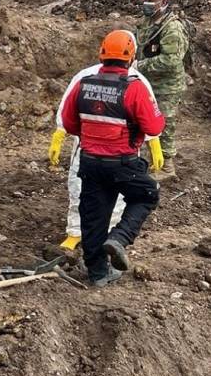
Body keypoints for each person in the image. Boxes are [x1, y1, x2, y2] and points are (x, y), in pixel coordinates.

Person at [60, 30, 165, 287]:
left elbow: (69, 123)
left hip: (90, 162)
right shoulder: (135, 87)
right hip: (123, 163)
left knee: (93, 217)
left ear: (102, 55)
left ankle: (98, 273)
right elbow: (153, 126)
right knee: (146, 195)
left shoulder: (83, 84)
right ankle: (119, 238)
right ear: (131, 57)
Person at [136, 0, 188, 181]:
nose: (148, 4)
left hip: (167, 86)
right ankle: (151, 159)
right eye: (146, 0)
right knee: (145, 120)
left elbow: (171, 61)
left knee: (164, 124)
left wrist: (141, 66)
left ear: (165, 1)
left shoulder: (172, 28)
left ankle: (167, 166)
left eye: (153, 0)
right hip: (148, 82)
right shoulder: (148, 22)